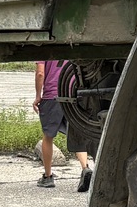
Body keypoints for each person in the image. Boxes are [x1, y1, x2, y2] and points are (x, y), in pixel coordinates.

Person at [34, 58, 94, 192]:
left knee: (48, 136)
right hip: (71, 94)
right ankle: (85, 168)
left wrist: (38, 96)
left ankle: (48, 176)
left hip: (51, 97)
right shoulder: (69, 46)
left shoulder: (43, 49)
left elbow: (40, 73)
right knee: (76, 132)